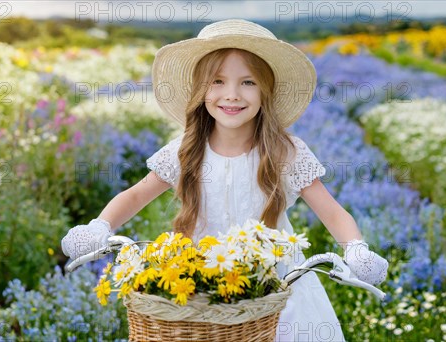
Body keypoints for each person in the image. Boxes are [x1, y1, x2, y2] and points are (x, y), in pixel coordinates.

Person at [62, 19, 388, 341]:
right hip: (205, 290)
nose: (231, 95)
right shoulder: (186, 150)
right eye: (217, 81)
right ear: (201, 90)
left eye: (248, 82)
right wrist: (100, 226)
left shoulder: (285, 152)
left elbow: (331, 212)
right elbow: (135, 196)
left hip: (278, 287)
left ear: (265, 91)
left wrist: (355, 248)